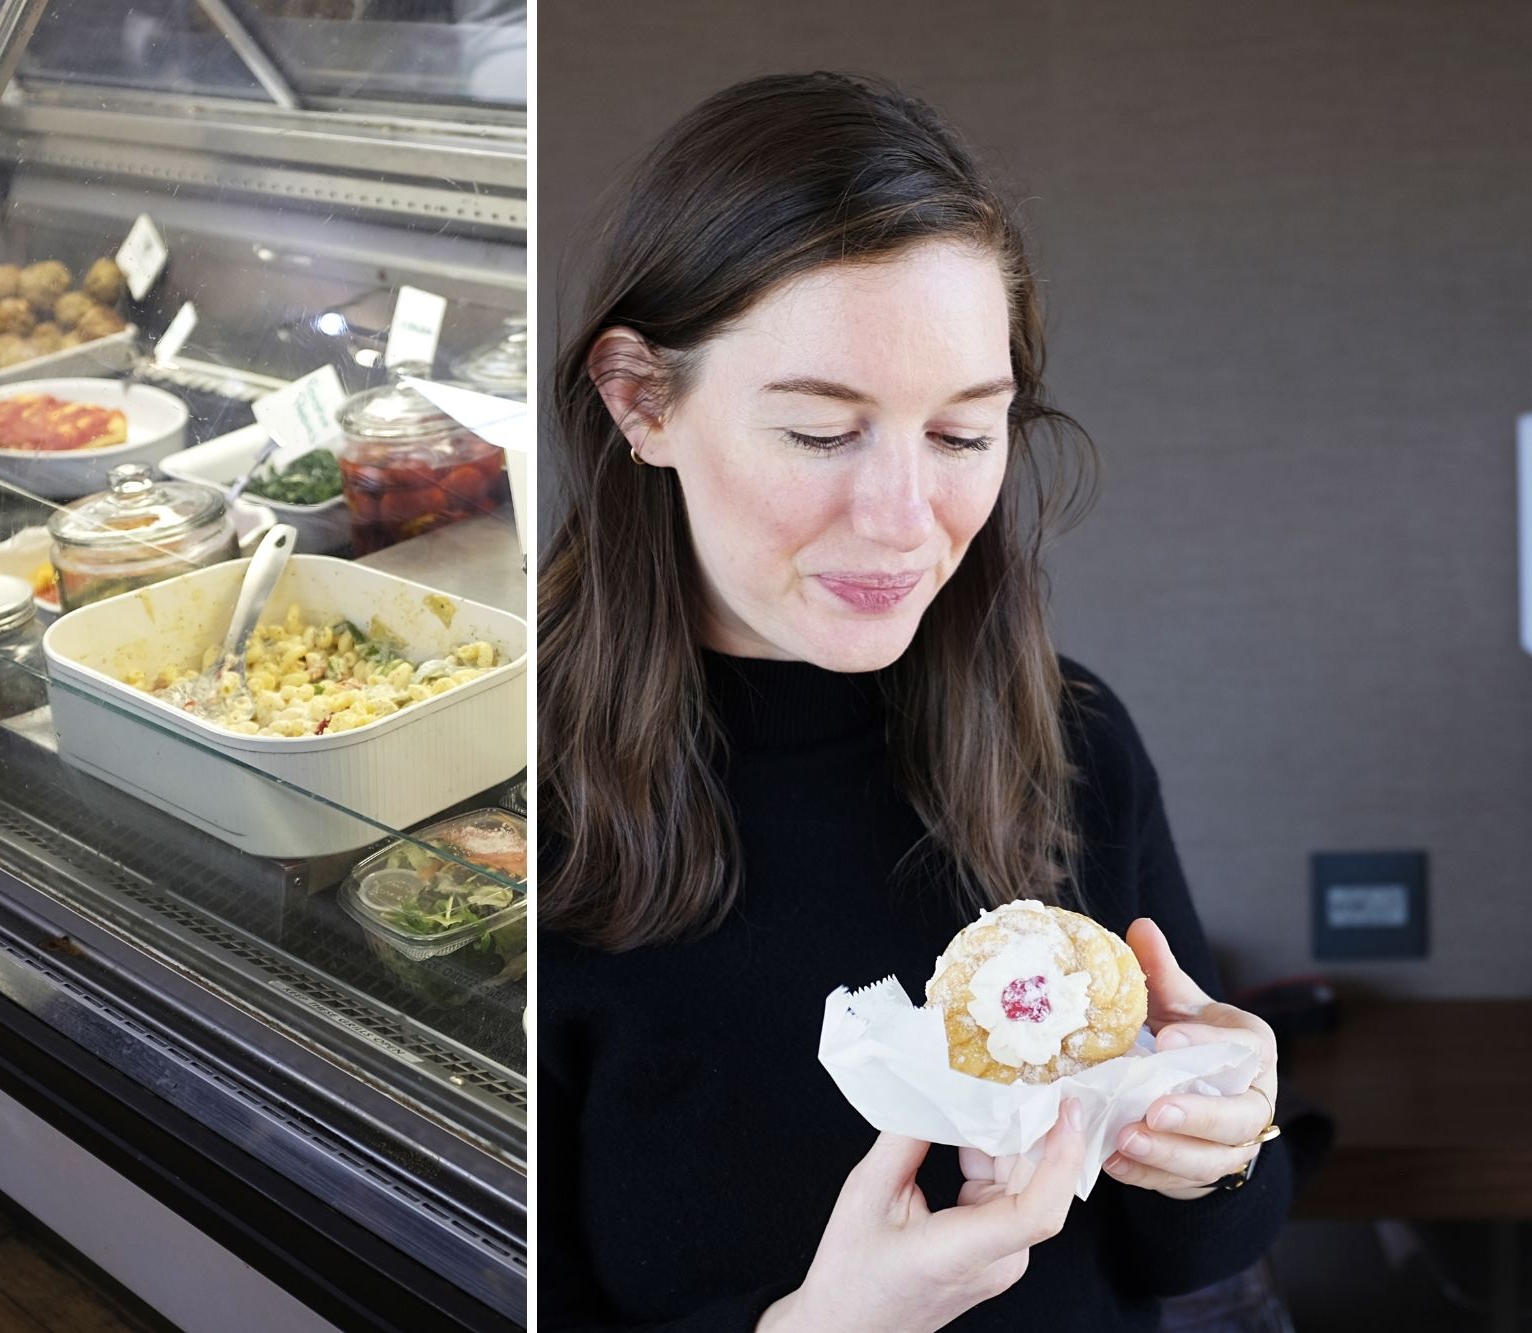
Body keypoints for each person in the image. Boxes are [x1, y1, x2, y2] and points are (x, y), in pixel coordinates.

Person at [538, 72, 1323, 1332]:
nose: (904, 524)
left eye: (961, 437)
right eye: (818, 433)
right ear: (641, 399)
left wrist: (1217, 1134)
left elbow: (1187, 1262)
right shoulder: (510, 811)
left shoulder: (1068, 740)